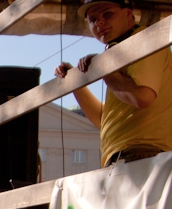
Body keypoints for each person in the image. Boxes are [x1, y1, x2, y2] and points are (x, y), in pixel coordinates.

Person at [54, 0, 172, 167]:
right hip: (127, 155)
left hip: (140, 153)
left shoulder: (144, 40)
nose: (99, 22)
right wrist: (74, 82)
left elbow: (143, 97)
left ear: (129, 14)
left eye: (107, 14)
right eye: (92, 19)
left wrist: (103, 68)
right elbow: (102, 120)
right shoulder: (121, 53)